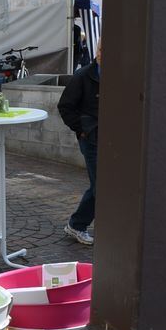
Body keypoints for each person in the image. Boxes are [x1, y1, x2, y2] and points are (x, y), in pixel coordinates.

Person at [57, 38, 101, 246]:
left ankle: (80, 224)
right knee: (101, 185)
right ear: (97, 51)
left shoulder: (121, 75)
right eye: (103, 49)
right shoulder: (83, 75)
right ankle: (77, 225)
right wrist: (83, 129)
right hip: (92, 138)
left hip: (115, 140)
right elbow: (65, 106)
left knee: (109, 185)